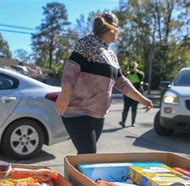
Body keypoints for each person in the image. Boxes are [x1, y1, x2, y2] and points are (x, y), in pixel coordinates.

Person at [55, 12, 152, 154]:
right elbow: (71, 69)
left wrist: (142, 99)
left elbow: (122, 82)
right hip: (77, 111)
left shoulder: (111, 55)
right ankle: (75, 176)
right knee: (88, 153)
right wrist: (65, 93)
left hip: (98, 115)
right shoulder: (86, 44)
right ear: (111, 29)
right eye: (118, 29)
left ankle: (72, 175)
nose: (118, 34)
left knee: (84, 156)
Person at [119, 62, 145, 127]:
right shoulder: (127, 74)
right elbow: (122, 76)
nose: (132, 68)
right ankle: (123, 122)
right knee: (126, 108)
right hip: (127, 94)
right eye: (131, 67)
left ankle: (133, 122)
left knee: (134, 108)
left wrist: (136, 70)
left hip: (136, 93)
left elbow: (142, 76)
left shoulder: (139, 73)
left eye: (133, 67)